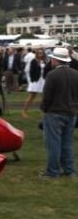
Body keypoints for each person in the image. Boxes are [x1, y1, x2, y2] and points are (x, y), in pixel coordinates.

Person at [40, 47, 78, 178]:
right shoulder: (75, 74)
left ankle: (53, 171)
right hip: (71, 112)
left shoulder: (52, 75)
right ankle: (70, 170)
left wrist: (44, 109)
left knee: (53, 143)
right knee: (67, 143)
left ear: (55, 60)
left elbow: (47, 96)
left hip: (55, 112)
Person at [23, 48, 47, 117]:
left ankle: (43, 112)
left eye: (41, 53)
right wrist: (33, 80)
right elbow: (31, 72)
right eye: (39, 53)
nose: (40, 54)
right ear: (37, 53)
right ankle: (24, 111)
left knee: (44, 97)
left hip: (43, 80)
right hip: (35, 80)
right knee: (32, 96)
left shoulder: (44, 61)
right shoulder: (33, 61)